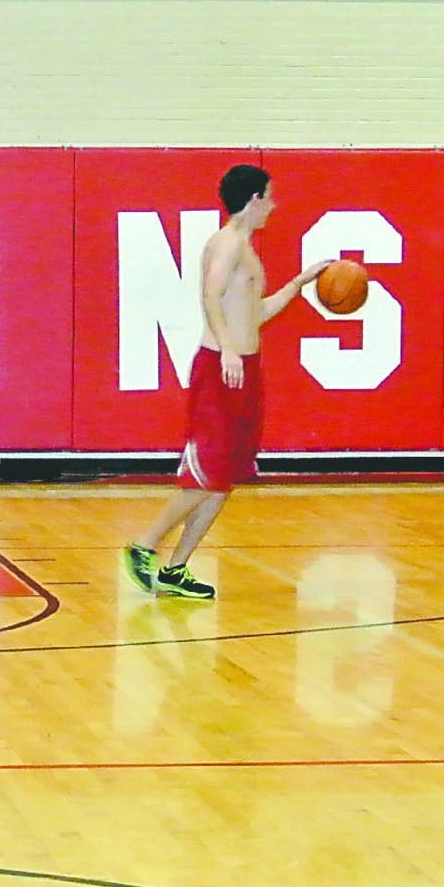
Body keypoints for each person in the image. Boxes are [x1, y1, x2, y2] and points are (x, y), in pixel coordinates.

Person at [123, 164, 326, 600]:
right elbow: (210, 296)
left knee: (224, 478)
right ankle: (143, 545)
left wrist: (300, 282)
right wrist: (228, 347)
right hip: (221, 366)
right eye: (269, 196)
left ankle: (176, 569)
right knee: (206, 473)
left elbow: (258, 313)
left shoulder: (246, 249)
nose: (274, 205)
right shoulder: (227, 243)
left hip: (244, 370)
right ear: (253, 199)